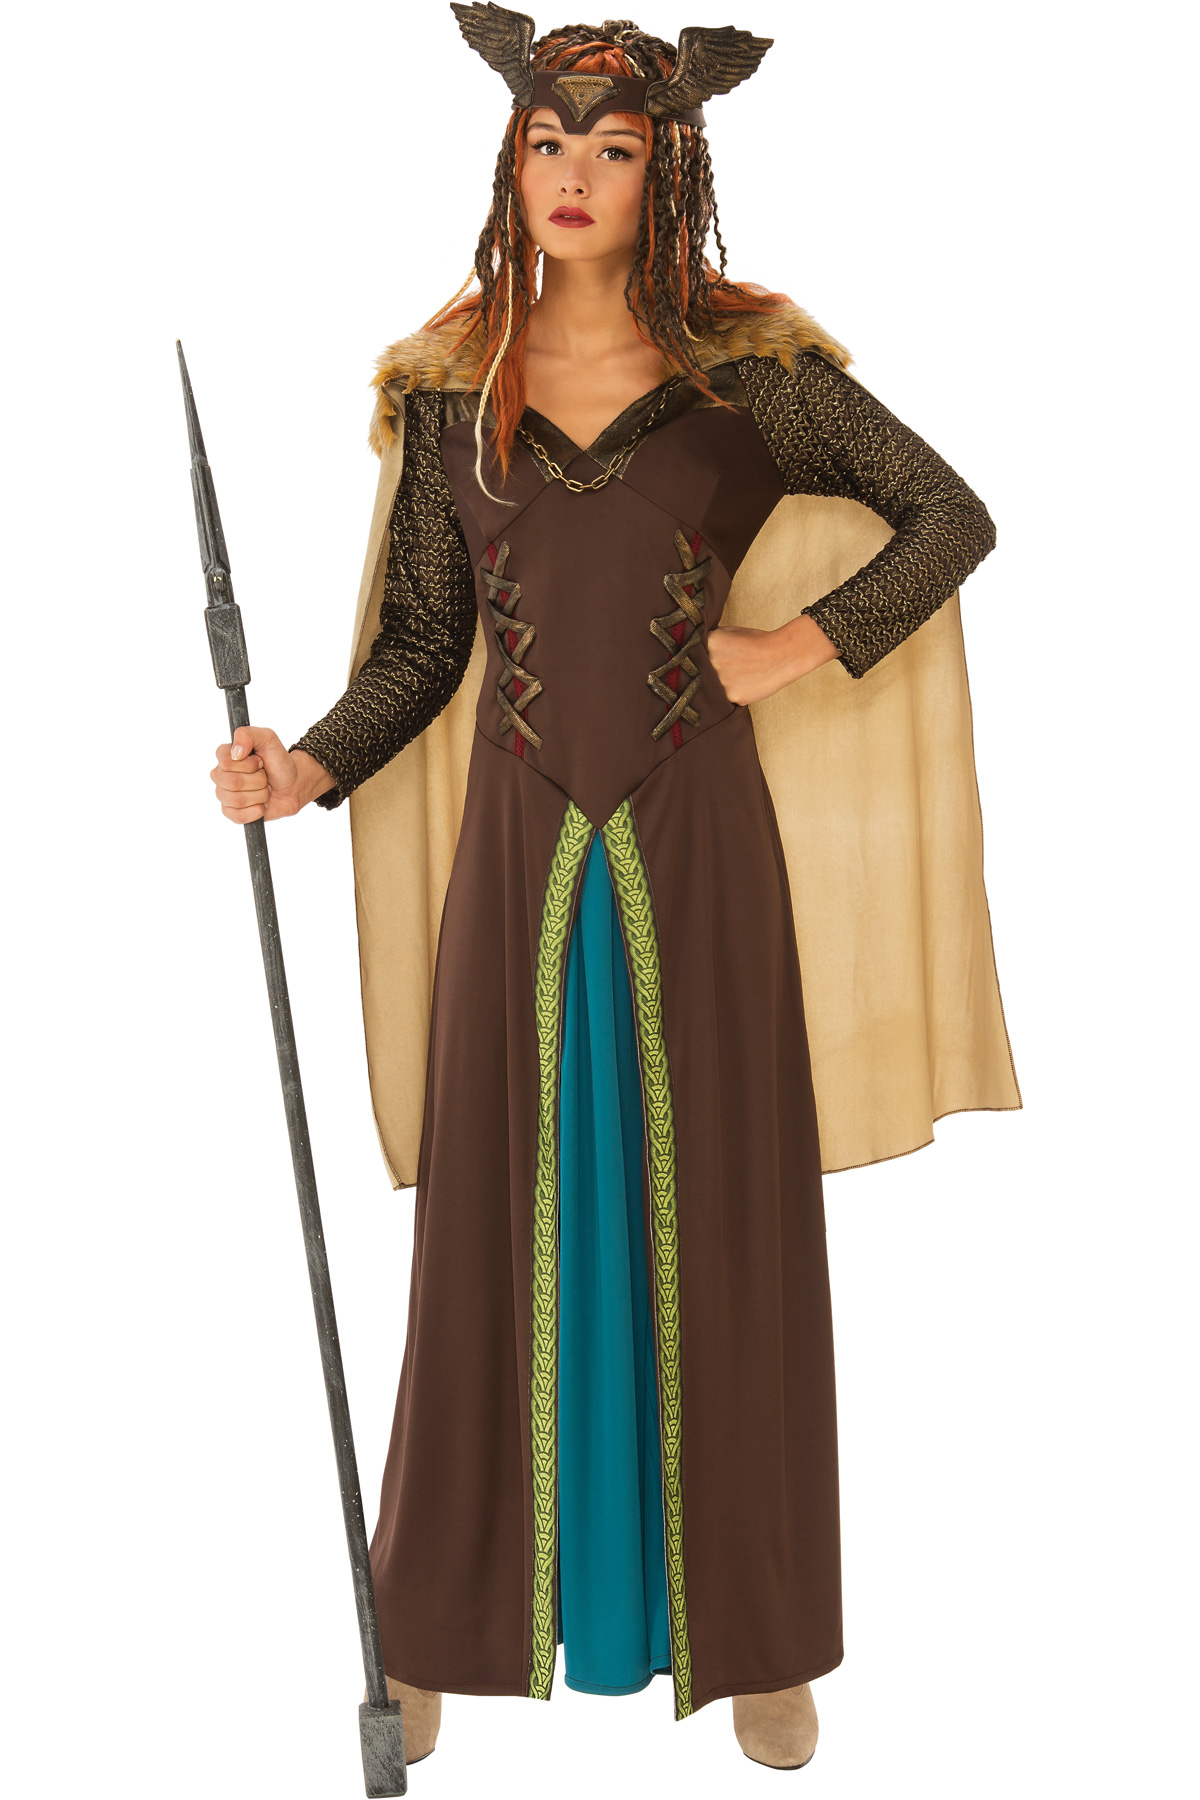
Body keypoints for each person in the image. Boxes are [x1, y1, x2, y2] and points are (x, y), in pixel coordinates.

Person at [209, 8, 1019, 1773]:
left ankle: (763, 1636)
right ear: (510, 163)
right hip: (517, 860)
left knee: (725, 1215)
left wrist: (790, 648)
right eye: (548, 143)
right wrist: (310, 765)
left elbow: (947, 517)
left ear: (672, 171)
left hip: (697, 847)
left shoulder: (752, 375)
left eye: (615, 147)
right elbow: (423, 645)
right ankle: (437, 1626)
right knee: (486, 1231)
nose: (574, 173)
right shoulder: (452, 387)